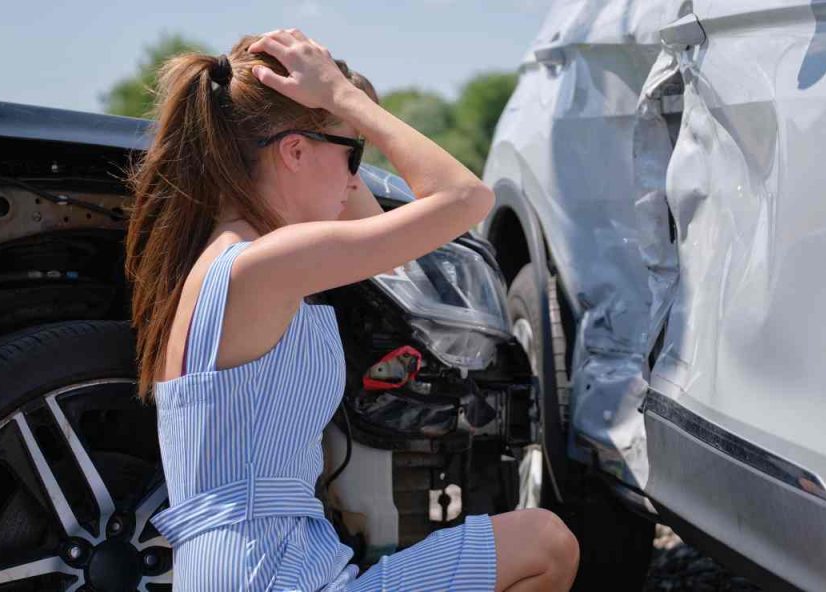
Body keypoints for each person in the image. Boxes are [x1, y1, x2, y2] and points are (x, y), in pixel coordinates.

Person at [123, 28, 579, 592]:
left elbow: (372, 229)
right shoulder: (267, 262)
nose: (354, 178)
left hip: (258, 571)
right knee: (545, 543)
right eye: (350, 155)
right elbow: (466, 199)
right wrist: (342, 101)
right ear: (294, 152)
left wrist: (341, 118)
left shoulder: (228, 260)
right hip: (272, 579)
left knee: (539, 541)